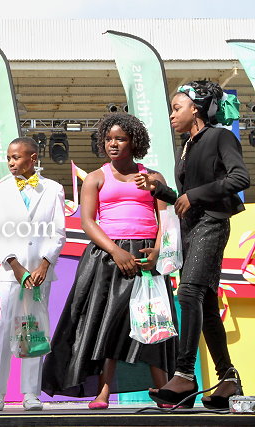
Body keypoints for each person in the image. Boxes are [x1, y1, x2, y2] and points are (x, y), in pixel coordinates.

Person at [41, 113, 177, 409]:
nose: (113, 144)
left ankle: (165, 390)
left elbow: (165, 219)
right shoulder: (95, 178)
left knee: (153, 321)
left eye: (120, 139)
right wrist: (116, 251)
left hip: (147, 258)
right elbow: (88, 222)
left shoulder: (153, 178)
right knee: (109, 325)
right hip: (107, 258)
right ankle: (102, 392)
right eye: (108, 139)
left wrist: (157, 253)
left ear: (134, 142)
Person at [136, 81, 250, 409]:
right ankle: (228, 379)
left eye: (177, 108)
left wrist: (194, 195)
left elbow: (240, 178)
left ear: (195, 108)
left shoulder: (220, 137)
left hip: (212, 223)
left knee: (188, 294)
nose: (172, 115)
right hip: (191, 228)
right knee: (208, 306)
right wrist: (159, 189)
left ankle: (185, 374)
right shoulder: (186, 146)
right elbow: (183, 199)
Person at [0, 137, 66, 411]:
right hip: (12, 272)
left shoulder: (53, 189)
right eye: (9, 157)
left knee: (35, 328)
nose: (11, 162)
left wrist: (45, 264)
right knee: (6, 326)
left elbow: (58, 231)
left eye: (16, 157)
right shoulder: (0, 191)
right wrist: (16, 266)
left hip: (41, 273)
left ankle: (31, 393)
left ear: (33, 158)